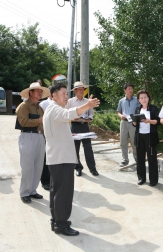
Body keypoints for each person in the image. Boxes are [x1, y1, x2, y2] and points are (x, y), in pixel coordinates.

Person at [44, 81, 100, 236]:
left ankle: (56, 222)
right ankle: (61, 225)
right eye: (63, 93)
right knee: (64, 193)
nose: (65, 96)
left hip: (57, 157)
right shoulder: (55, 109)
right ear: (53, 96)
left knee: (56, 192)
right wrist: (87, 105)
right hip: (61, 158)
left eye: (66, 93)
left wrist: (70, 134)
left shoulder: (51, 109)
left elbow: (58, 131)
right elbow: (69, 114)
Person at [16, 82, 50, 203]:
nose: (40, 93)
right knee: (27, 166)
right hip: (28, 136)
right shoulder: (24, 106)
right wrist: (39, 120)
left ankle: (32, 190)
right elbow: (23, 122)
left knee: (38, 166)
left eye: (41, 91)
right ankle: (24, 192)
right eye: (37, 91)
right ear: (31, 92)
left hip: (40, 137)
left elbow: (44, 124)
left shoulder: (40, 107)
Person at [66, 81, 99, 177]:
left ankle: (93, 169)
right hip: (74, 125)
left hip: (84, 125)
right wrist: (73, 117)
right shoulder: (70, 101)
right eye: (79, 89)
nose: (81, 91)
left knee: (88, 148)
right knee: (75, 149)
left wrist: (88, 119)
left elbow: (91, 114)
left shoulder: (87, 101)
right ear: (75, 91)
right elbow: (67, 114)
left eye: (82, 89)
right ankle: (78, 168)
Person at [133, 90, 160, 186]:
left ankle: (153, 180)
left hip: (150, 136)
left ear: (148, 98)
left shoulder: (153, 109)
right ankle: (141, 178)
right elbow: (134, 124)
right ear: (139, 100)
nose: (144, 99)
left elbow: (158, 121)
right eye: (141, 98)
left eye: (145, 97)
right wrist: (134, 122)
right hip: (139, 136)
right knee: (140, 158)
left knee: (152, 158)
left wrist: (148, 121)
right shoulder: (137, 109)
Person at [117, 83, 138, 167]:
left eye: (131, 88)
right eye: (128, 89)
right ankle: (125, 160)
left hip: (133, 122)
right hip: (124, 122)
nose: (130, 90)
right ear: (125, 90)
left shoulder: (137, 100)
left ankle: (137, 159)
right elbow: (119, 112)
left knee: (134, 141)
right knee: (123, 142)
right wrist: (121, 116)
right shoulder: (121, 101)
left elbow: (140, 110)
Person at [38, 86, 52, 190]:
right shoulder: (43, 104)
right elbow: (40, 121)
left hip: (56, 136)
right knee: (45, 158)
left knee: (53, 159)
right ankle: (45, 181)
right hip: (46, 134)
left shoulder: (60, 105)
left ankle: (52, 179)